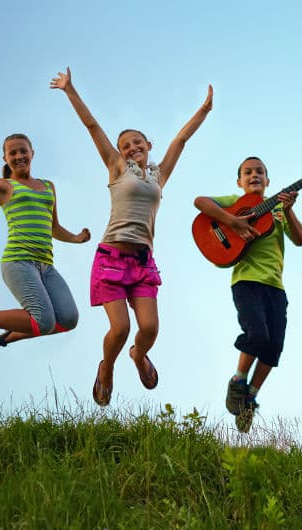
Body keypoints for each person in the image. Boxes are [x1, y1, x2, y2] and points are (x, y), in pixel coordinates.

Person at [50, 67, 212, 406]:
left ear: (148, 146)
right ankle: (106, 367)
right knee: (120, 328)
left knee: (150, 328)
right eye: (125, 145)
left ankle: (138, 356)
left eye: (137, 142)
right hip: (111, 258)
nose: (131, 147)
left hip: (142, 262)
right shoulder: (117, 168)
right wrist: (70, 89)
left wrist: (204, 110)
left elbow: (180, 140)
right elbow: (92, 126)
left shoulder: (158, 176)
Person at [0, 122, 90, 349]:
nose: (19, 156)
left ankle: (12, 335)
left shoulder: (48, 186)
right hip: (18, 261)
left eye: (23, 150)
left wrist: (75, 238)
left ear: (32, 153)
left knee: (69, 319)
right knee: (44, 321)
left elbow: (53, 227)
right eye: (12, 153)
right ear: (5, 158)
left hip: (46, 266)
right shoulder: (2, 186)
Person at [193, 157, 302, 432]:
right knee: (257, 335)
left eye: (260, 172)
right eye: (248, 172)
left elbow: (300, 239)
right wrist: (232, 221)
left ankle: (250, 399)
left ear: (268, 181)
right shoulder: (233, 199)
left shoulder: (278, 208)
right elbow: (200, 202)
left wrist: (288, 209)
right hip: (246, 280)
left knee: (273, 347)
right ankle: (238, 381)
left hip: (276, 286)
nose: (254, 175)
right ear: (240, 182)